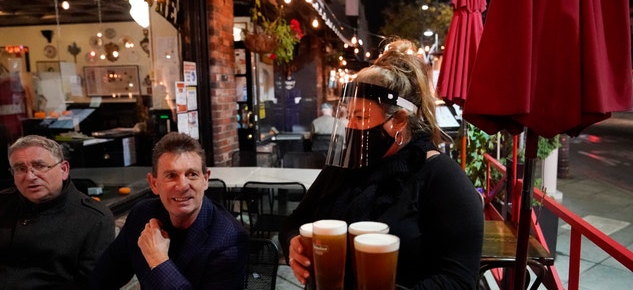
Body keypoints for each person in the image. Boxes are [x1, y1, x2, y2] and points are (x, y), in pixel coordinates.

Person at [279, 39, 484, 289]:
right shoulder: (342, 168)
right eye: (348, 115)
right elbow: (294, 222)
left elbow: (459, 280)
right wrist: (293, 244)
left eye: (361, 116)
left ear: (398, 120)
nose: (350, 125)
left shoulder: (442, 178)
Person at [91, 132, 249, 289]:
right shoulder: (142, 215)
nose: (182, 186)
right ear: (154, 184)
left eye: (192, 174)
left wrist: (158, 261)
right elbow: (103, 278)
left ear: (205, 179)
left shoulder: (228, 239)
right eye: (171, 175)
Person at [0, 135, 115, 289]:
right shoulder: (3, 203)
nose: (30, 176)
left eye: (40, 166)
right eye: (20, 169)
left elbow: (95, 285)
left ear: (63, 169)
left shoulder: (94, 219)